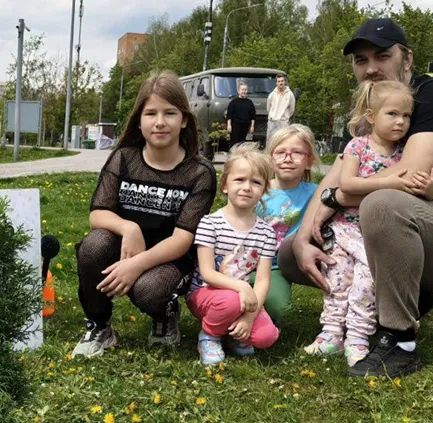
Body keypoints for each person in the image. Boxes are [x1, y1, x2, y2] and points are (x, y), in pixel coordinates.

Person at [278, 18, 433, 378]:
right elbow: (334, 179)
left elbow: (406, 179)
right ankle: (408, 296)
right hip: (415, 233)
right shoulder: (374, 112)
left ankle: (399, 341)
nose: (371, 68)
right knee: (293, 252)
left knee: (382, 203)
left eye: (382, 56)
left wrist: (336, 198)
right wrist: (307, 232)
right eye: (360, 60)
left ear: (408, 59)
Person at [70, 71, 216, 358]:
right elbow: (98, 214)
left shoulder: (200, 173)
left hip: (170, 259)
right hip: (125, 248)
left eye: (170, 113)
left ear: (184, 119)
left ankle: (165, 313)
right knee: (94, 245)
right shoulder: (124, 158)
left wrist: (137, 266)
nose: (160, 122)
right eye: (151, 113)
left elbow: (183, 240)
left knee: (149, 290)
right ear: (139, 119)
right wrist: (128, 228)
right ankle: (99, 325)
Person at [305, 80, 425, 366]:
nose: (400, 122)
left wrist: (425, 187)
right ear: (372, 116)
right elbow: (346, 183)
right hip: (345, 229)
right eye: (392, 114)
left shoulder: (405, 152)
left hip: (373, 235)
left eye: (406, 116)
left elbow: (418, 188)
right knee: (337, 281)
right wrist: (388, 182)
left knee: (365, 285)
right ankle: (331, 334)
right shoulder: (357, 146)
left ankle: (358, 337)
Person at [186, 144, 279, 365]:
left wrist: (249, 317)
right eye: (240, 180)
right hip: (205, 294)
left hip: (241, 299)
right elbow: (208, 273)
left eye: (256, 182)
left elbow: (264, 279)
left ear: (264, 190)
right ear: (225, 185)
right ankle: (209, 336)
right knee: (229, 302)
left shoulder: (266, 232)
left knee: (267, 337)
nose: (247, 187)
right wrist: (242, 287)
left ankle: (235, 334)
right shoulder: (210, 224)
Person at [255, 124, 320, 322]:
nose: (288, 158)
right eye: (280, 152)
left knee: (279, 309)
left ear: (309, 161)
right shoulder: (257, 190)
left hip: (280, 267)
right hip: (250, 262)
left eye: (297, 152)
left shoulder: (316, 193)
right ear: (270, 159)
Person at [227, 82, 256, 146]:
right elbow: (229, 114)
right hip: (235, 125)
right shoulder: (233, 102)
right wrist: (229, 125)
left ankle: (240, 155)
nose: (244, 91)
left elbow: (253, 115)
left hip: (245, 125)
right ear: (238, 91)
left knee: (243, 142)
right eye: (242, 90)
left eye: (245, 90)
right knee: (234, 142)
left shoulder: (249, 102)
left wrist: (252, 126)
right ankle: (233, 155)